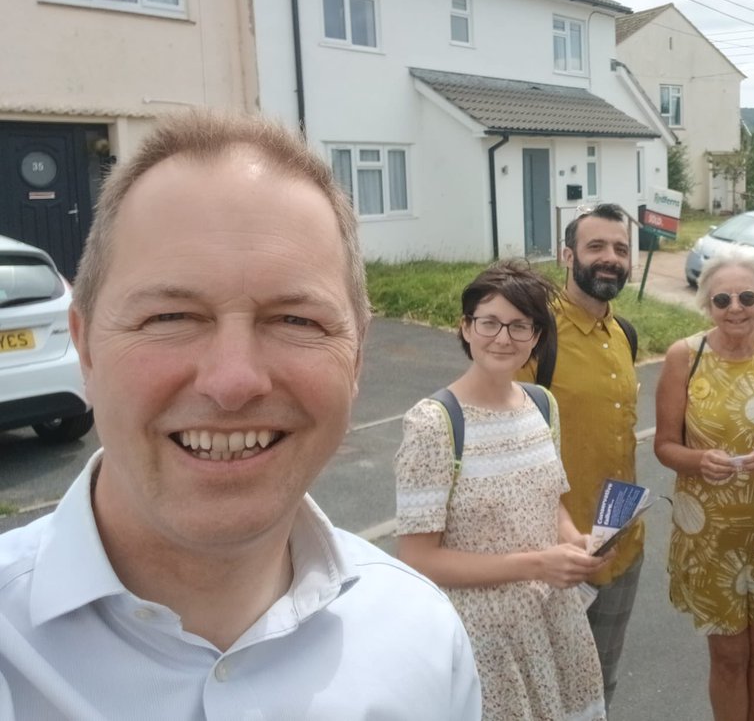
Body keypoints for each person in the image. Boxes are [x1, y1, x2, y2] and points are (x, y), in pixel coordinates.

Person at [0, 111, 481, 720]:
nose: (233, 382)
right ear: (86, 346)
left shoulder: (425, 640)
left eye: (296, 320)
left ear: (356, 358)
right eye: (170, 317)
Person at [394, 261, 607, 721]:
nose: (503, 338)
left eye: (519, 325)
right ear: (465, 328)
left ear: (537, 335)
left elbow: (551, 505)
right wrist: (537, 564)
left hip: (553, 624)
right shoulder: (433, 423)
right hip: (481, 640)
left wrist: (575, 543)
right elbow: (417, 559)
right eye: (489, 322)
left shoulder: (541, 404)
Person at [655, 249, 754, 721]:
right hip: (711, 533)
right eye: (722, 299)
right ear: (708, 305)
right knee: (727, 656)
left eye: (747, 296)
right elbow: (664, 446)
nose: (735, 307)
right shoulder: (686, 356)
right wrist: (699, 460)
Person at [515, 203, 641, 708]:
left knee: (600, 686)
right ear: (567, 255)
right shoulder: (533, 336)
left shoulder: (624, 335)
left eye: (620, 248)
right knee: (544, 693)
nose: (610, 258)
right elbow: (510, 450)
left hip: (621, 546)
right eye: (596, 247)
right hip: (553, 556)